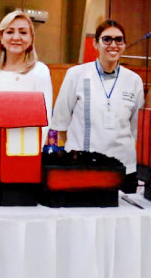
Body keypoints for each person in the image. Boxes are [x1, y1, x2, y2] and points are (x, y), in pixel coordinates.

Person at [50, 20, 144, 193]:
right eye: (107, 39)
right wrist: (74, 156)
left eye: (119, 40)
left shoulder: (134, 80)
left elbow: (135, 129)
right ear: (95, 43)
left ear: (124, 45)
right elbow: (60, 122)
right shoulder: (76, 74)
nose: (113, 45)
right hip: (84, 167)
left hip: (123, 168)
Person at [0, 10, 53, 152]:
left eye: (23, 32)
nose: (16, 37)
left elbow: (45, 121)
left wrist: (33, 152)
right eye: (10, 32)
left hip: (25, 152)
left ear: (31, 38)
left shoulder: (40, 71)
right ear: (1, 37)